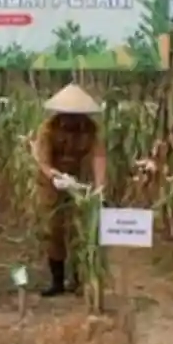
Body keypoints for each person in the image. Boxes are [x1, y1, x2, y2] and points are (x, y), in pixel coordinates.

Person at [32, 83, 106, 297]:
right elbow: (43, 161)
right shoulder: (48, 128)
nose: (72, 119)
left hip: (78, 181)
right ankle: (56, 281)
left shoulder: (91, 129)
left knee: (80, 229)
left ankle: (77, 278)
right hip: (52, 184)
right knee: (53, 229)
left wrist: (99, 187)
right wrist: (54, 176)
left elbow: (99, 156)